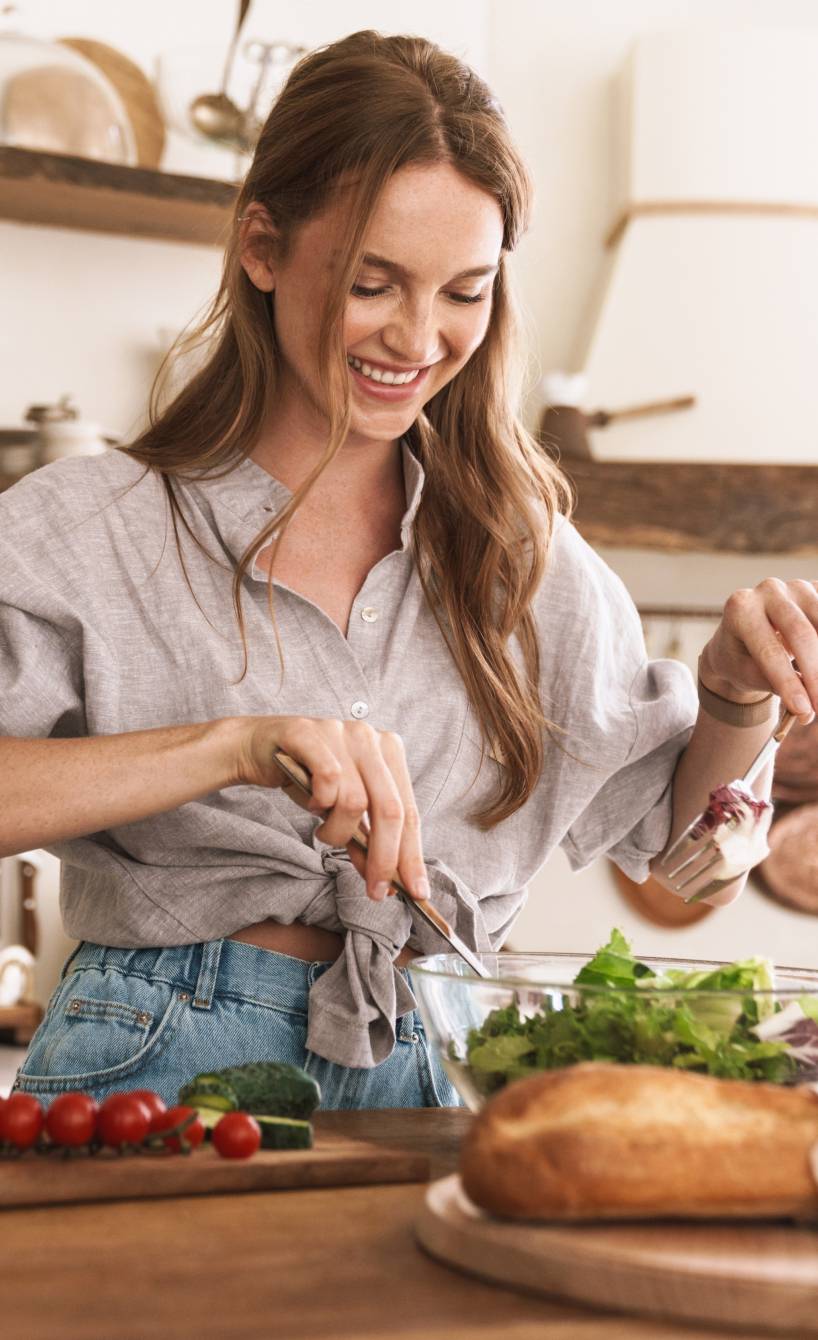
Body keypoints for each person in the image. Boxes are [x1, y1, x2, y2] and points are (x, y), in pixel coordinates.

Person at [1, 30, 815, 1112]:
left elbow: (683, 864)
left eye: (464, 292)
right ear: (262, 247)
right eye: (372, 283)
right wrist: (231, 746)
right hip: (154, 1059)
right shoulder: (86, 526)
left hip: (435, 1066)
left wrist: (732, 696)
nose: (418, 338)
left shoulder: (529, 561)